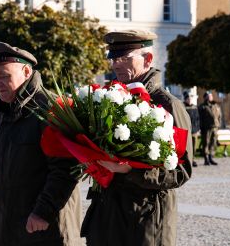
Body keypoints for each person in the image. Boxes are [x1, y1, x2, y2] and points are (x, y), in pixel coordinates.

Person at [81, 30, 193, 245]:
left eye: (125, 58)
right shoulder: (108, 99)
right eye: (113, 58)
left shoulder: (168, 105)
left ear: (148, 59)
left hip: (145, 221)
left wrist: (130, 170)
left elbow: (181, 172)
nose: (116, 64)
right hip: (107, 217)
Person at [0, 41, 82, 246]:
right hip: (8, 227)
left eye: (4, 76)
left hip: (43, 229)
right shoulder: (4, 110)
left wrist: (42, 213)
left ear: (26, 71)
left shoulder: (51, 109)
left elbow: (66, 169)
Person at [198, 91, 220, 166]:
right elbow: (200, 118)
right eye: (208, 96)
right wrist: (201, 128)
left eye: (210, 96)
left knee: (213, 143)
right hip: (206, 128)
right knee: (206, 143)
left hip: (215, 127)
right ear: (205, 98)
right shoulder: (202, 107)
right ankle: (206, 158)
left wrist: (218, 125)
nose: (210, 97)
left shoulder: (215, 105)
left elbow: (219, 116)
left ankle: (211, 157)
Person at [184, 91, 199, 167]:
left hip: (194, 131)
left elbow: (197, 119)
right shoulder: (183, 107)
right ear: (185, 99)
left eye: (190, 99)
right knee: (187, 147)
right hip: (187, 131)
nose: (189, 100)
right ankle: (188, 160)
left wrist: (197, 128)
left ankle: (193, 159)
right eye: (188, 99)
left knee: (194, 146)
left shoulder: (194, 107)